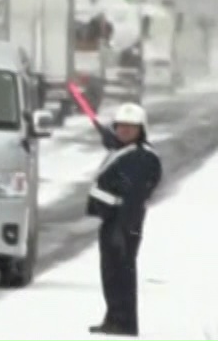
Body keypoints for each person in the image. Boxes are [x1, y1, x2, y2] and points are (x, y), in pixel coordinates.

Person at [87, 102, 162, 336]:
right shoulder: (125, 151)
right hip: (112, 222)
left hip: (124, 222)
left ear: (142, 130)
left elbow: (133, 195)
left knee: (121, 273)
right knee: (111, 272)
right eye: (121, 127)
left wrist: (123, 227)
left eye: (131, 128)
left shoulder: (142, 158)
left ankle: (124, 322)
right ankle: (114, 316)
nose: (125, 131)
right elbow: (117, 159)